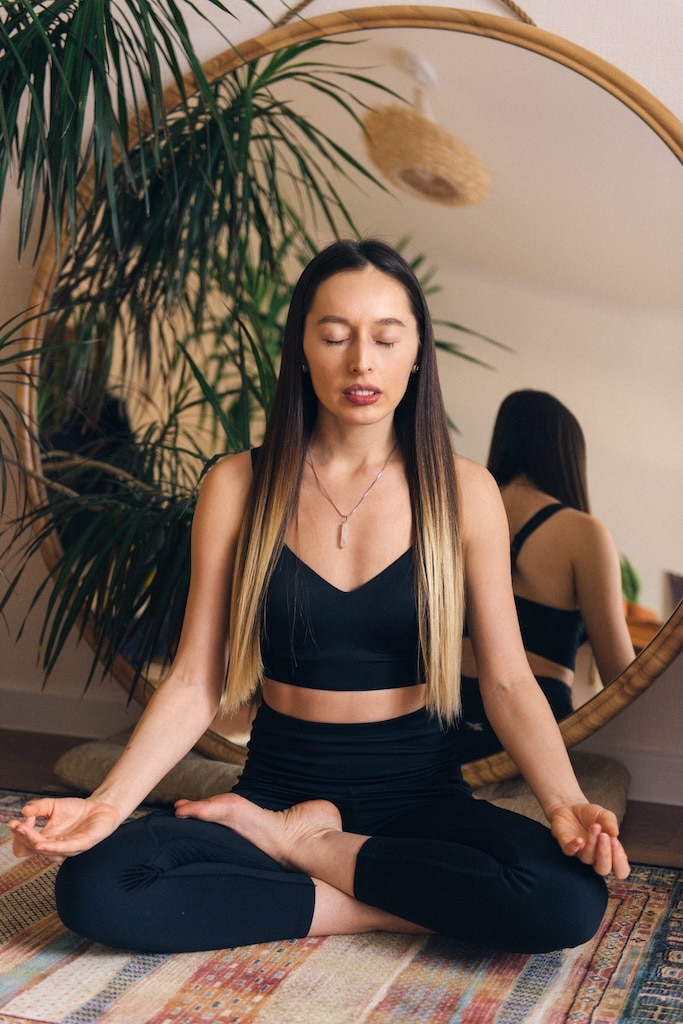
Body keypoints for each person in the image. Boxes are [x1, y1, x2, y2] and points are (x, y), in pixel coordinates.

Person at [10, 240, 630, 957]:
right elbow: (193, 679)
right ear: (302, 348)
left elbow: (506, 679)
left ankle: (306, 850)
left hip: (418, 795)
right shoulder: (237, 486)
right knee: (98, 884)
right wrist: (107, 806)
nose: (360, 361)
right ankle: (376, 897)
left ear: (417, 354)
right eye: (334, 336)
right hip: (274, 786)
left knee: (565, 898)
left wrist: (563, 805)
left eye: (384, 338)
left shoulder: (464, 492)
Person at [456, 389, 636, 761]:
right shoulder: (583, 533)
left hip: (440, 716)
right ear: (567, 456)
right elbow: (622, 679)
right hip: (528, 725)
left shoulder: (459, 506)